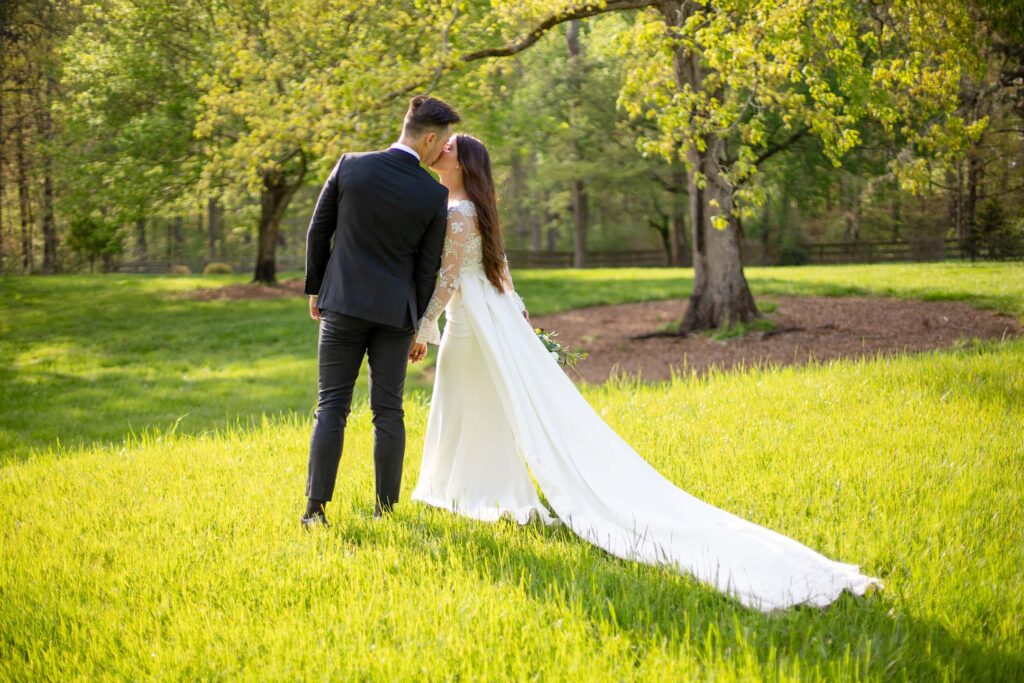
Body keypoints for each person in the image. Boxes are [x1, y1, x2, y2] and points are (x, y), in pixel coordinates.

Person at [407, 133, 883, 612]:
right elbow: (500, 269)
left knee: (462, 401)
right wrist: (520, 314)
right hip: (491, 316)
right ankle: (477, 492)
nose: (440, 151)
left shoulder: (458, 211)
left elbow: (449, 276)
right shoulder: (472, 207)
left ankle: (456, 492)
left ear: (465, 164)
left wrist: (424, 327)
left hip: (475, 323)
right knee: (479, 406)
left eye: (448, 148)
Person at [301, 95, 460, 529]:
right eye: (440, 143)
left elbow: (320, 230)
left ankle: (315, 511)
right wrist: (420, 325)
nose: (439, 152)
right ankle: (385, 511)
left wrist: (316, 287)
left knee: (331, 405)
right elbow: (428, 268)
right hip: (395, 315)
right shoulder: (433, 194)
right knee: (388, 411)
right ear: (428, 138)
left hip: (342, 304)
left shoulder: (350, 165)